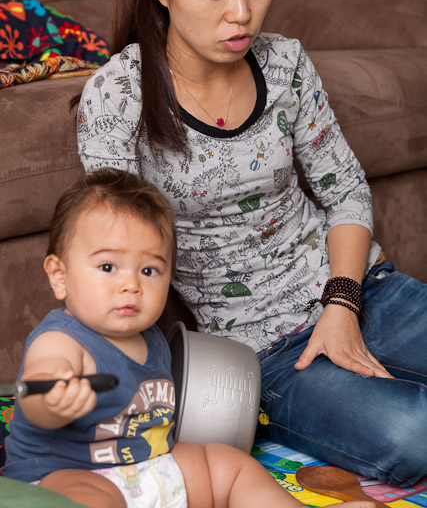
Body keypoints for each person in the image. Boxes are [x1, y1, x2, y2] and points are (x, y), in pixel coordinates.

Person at [76, 0, 427, 489]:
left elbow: (345, 189)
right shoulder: (118, 96)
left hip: (359, 290)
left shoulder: (285, 63)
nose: (242, 13)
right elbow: (116, 253)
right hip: (262, 351)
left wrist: (341, 304)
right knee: (413, 435)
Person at [5, 168, 371, 508]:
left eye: (149, 270)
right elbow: (39, 381)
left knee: (228, 465)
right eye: (107, 267)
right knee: (89, 497)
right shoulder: (63, 339)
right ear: (60, 276)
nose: (131, 284)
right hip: (67, 474)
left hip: (150, 468)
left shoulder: (153, 338)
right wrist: (51, 399)